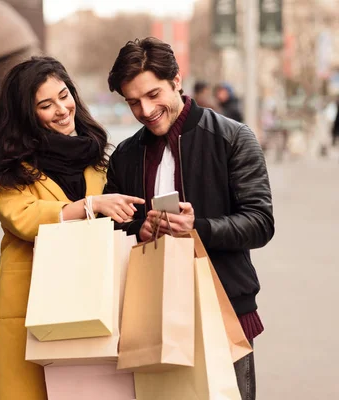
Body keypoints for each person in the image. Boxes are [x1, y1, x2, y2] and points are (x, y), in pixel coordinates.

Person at [105, 37, 274, 400]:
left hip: (224, 305)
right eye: (133, 102)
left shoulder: (232, 137)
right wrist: (140, 229)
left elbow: (260, 222)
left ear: (176, 80)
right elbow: (113, 227)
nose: (146, 110)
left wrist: (199, 228)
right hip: (151, 316)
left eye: (153, 95)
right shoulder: (125, 155)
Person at [0, 56, 144, 400]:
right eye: (45, 104)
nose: (61, 109)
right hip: (32, 300)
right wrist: (89, 206)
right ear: (27, 114)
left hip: (92, 294)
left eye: (64, 95)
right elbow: (22, 218)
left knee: (91, 389)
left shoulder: (97, 153)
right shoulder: (8, 165)